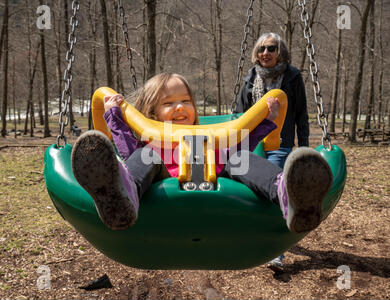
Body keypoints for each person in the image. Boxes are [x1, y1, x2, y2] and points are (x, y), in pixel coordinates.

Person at [71, 73, 331, 238]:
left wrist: (267, 121)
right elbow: (127, 149)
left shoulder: (212, 136)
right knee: (144, 156)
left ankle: (289, 194)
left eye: (185, 100)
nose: (180, 107)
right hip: (161, 174)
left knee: (238, 158)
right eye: (168, 103)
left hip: (215, 169)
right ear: (150, 113)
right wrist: (114, 115)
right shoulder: (150, 137)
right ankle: (121, 198)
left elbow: (243, 143)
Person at [235, 33, 310, 268]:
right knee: (252, 189)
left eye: (271, 48)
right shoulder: (250, 78)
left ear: (280, 52)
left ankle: (275, 251)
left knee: (274, 188)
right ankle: (250, 236)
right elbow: (239, 113)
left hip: (280, 143)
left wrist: (305, 148)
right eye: (261, 49)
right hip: (253, 143)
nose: (265, 53)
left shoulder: (292, 77)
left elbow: (300, 114)